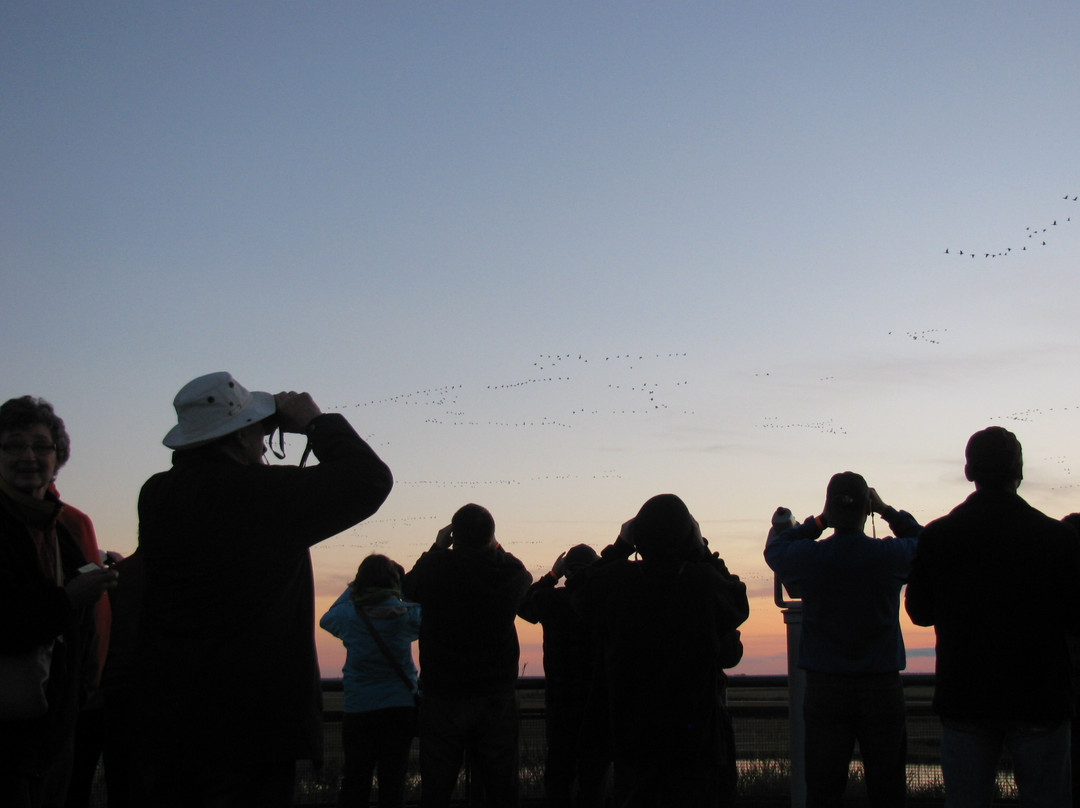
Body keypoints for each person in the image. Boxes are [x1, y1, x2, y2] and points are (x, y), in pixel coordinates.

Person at [135, 371, 393, 808]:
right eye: (256, 431)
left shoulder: (157, 495)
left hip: (172, 714)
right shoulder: (260, 496)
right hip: (254, 723)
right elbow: (370, 480)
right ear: (238, 438)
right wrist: (314, 422)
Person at [906, 427, 1080, 807]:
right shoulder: (1058, 539)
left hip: (965, 697)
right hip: (1041, 698)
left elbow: (919, 612)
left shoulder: (938, 536)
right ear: (1019, 471)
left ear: (969, 473)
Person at [569, 494, 749, 807]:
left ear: (639, 540)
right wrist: (704, 552)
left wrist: (621, 547)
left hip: (634, 736)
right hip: (695, 737)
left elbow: (579, 587)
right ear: (688, 540)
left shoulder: (616, 583)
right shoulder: (704, 584)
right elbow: (737, 600)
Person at [765, 472, 921, 808]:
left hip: (825, 688)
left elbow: (776, 547)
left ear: (830, 509)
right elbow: (925, 542)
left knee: (823, 788)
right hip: (881, 686)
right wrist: (887, 511)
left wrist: (817, 521)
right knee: (888, 788)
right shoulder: (887, 555)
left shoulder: (812, 557)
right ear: (866, 509)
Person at [0, 396, 118, 808]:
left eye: (40, 446)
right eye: (13, 445)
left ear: (58, 455)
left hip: (56, 728)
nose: (28, 456)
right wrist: (69, 600)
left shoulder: (60, 527)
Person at [402, 504, 532, 808]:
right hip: (494, 695)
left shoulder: (435, 567)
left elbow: (408, 587)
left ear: (453, 537)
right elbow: (523, 575)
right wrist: (495, 545)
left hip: (442, 694)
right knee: (501, 787)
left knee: (436, 786)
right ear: (491, 536)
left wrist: (436, 547)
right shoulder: (508, 572)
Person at [320, 554, 420, 808]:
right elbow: (420, 614)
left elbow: (326, 618)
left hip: (359, 709)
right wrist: (401, 590)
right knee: (393, 781)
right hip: (400, 708)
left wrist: (354, 588)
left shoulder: (348, 616)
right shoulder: (407, 615)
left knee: (355, 779)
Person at [518, 544, 603, 808]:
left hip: (560, 701)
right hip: (596, 702)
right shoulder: (603, 601)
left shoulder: (551, 600)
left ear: (567, 572)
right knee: (594, 775)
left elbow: (523, 604)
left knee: (558, 773)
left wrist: (551, 576)